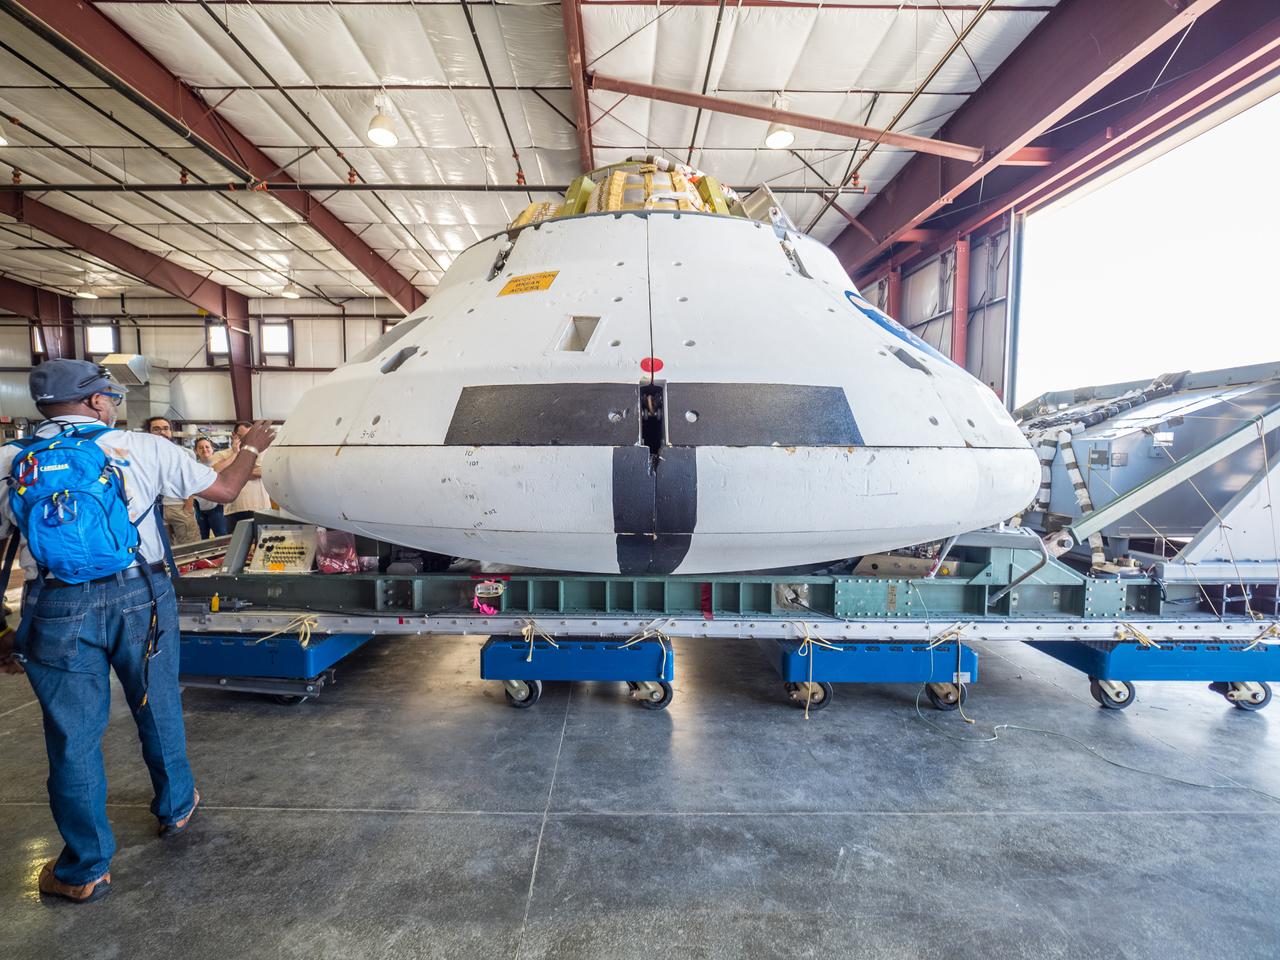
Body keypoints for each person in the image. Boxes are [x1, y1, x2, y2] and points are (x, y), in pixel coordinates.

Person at [0, 359, 276, 904]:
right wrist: (251, 447)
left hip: (55, 603)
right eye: (109, 396)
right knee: (157, 703)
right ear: (98, 402)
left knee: (72, 736)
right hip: (141, 596)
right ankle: (175, 808)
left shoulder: (10, 459)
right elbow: (223, 490)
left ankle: (83, 870)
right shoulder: (141, 449)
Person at [144, 416, 201, 546]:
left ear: (171, 431)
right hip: (155, 509)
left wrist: (188, 507)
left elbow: (192, 481)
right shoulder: (143, 454)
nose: (162, 432)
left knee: (191, 549)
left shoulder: (185, 453)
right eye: (156, 429)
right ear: (148, 432)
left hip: (180, 506)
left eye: (166, 428)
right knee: (161, 551)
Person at [216, 420, 273, 529]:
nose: (247, 440)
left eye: (250, 436)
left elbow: (263, 471)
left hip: (260, 508)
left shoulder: (262, 452)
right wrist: (235, 453)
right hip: (234, 509)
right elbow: (217, 472)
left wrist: (233, 471)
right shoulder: (222, 454)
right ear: (234, 435)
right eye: (243, 436)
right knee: (236, 543)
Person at [192, 438, 229, 538]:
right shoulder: (194, 466)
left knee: (221, 536)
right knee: (203, 536)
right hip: (199, 505)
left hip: (217, 505)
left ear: (212, 449)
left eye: (207, 447)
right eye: (200, 448)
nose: (204, 450)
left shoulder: (221, 463)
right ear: (196, 451)